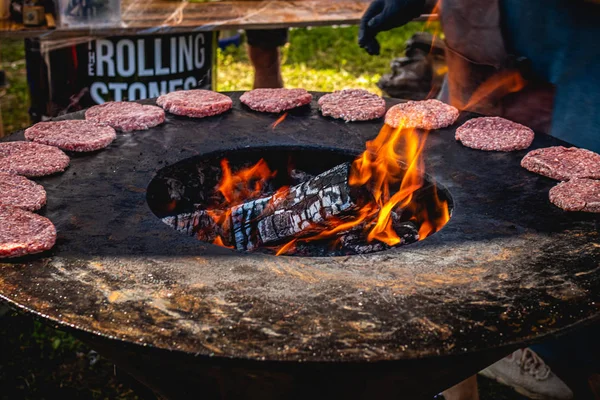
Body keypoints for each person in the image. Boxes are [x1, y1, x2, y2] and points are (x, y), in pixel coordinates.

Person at [358, 0, 600, 398]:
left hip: (584, 41)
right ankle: (458, 377)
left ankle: (561, 357)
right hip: (479, 23)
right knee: (453, 198)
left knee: (577, 232)